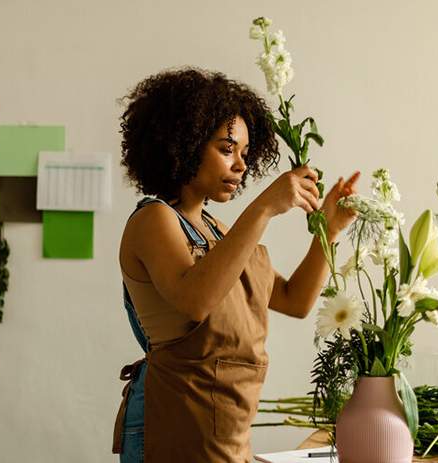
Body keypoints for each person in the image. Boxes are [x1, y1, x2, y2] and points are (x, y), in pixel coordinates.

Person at [112, 67, 360, 463]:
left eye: (245, 153)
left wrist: (328, 231)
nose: (241, 165)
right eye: (227, 149)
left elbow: (294, 301)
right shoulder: (154, 220)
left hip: (223, 431)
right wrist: (263, 207)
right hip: (172, 421)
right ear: (184, 142)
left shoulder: (216, 228)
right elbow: (196, 300)